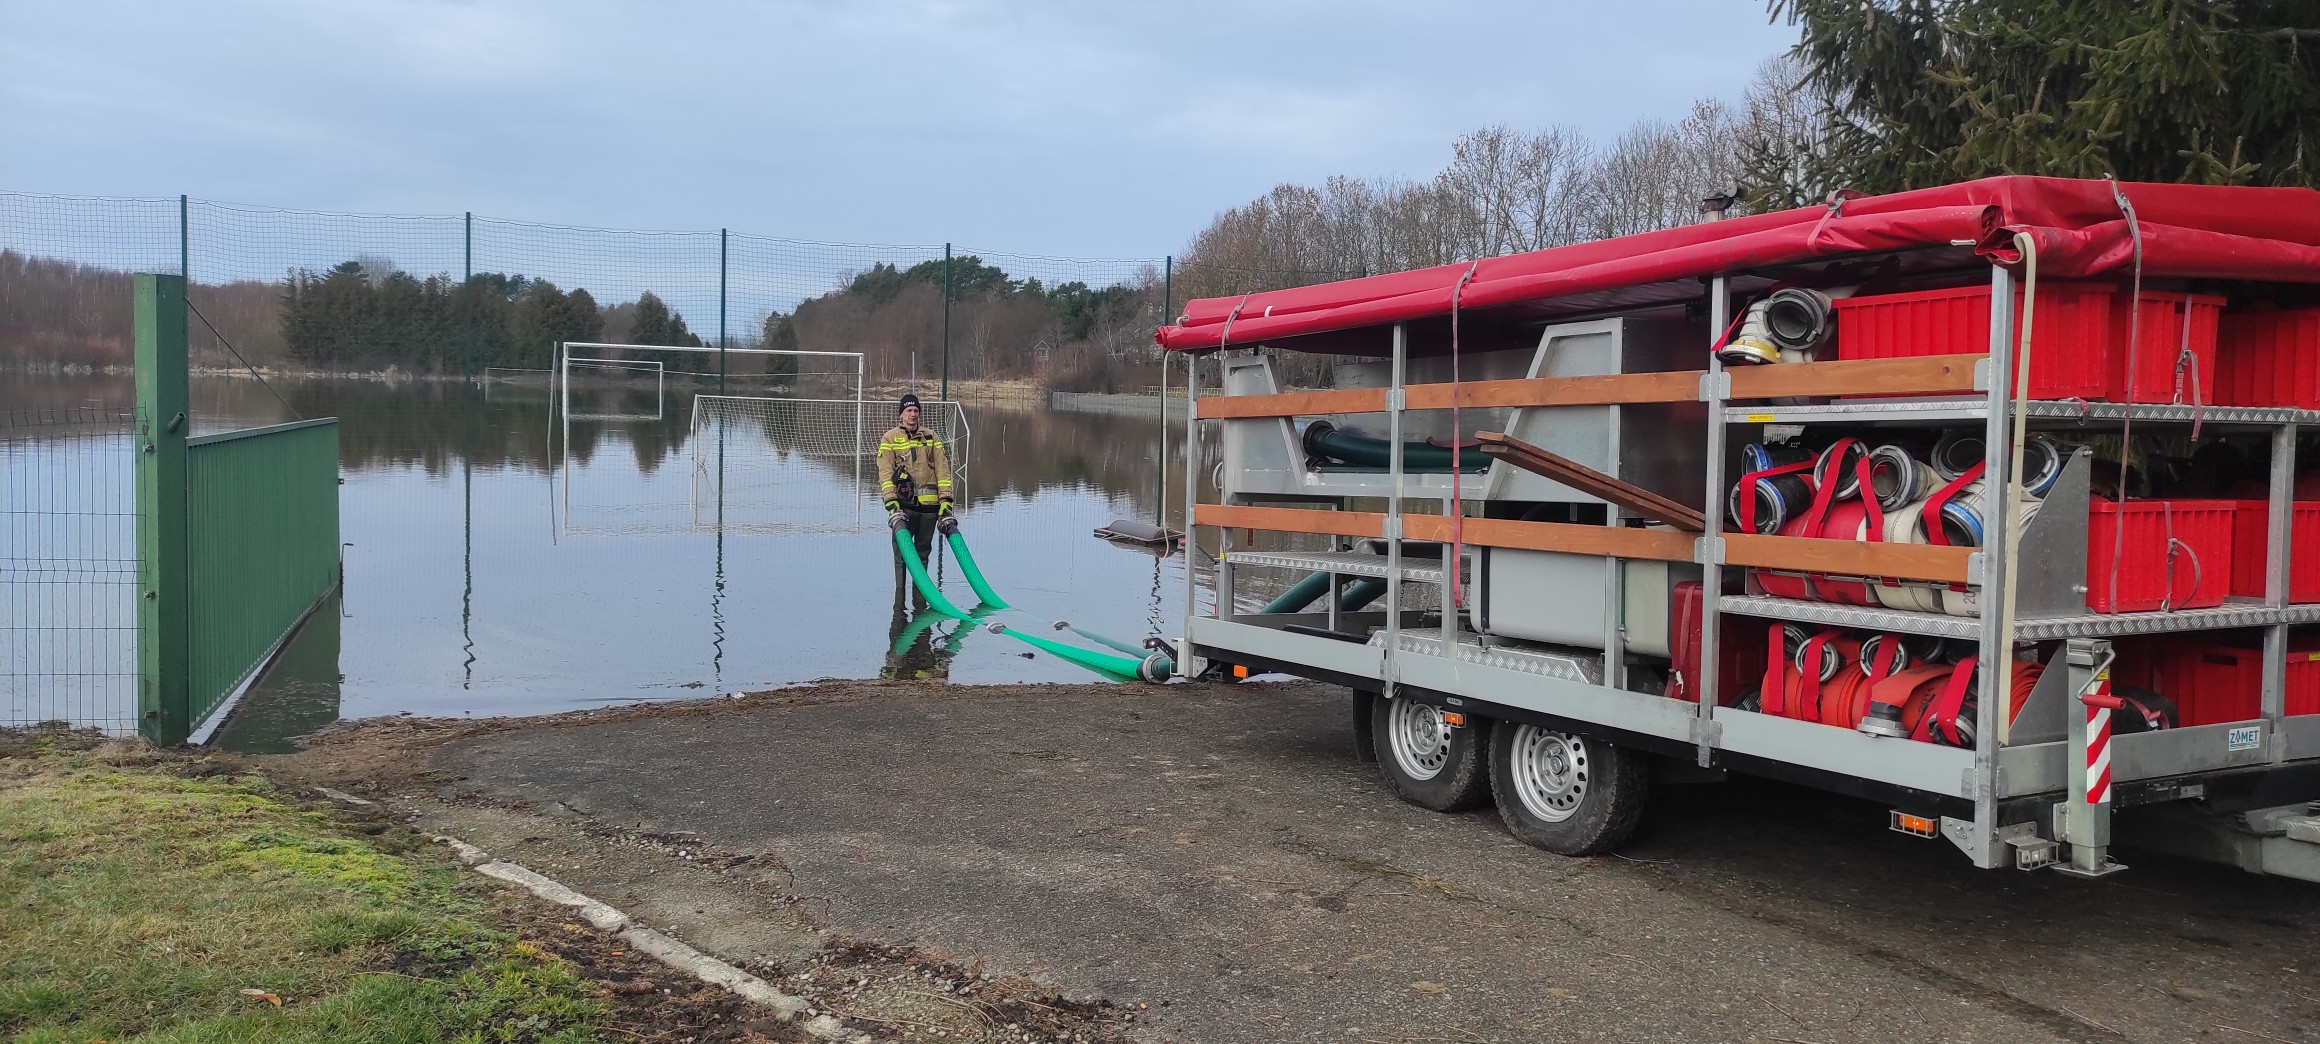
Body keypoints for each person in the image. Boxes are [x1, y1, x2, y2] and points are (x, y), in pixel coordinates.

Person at [877, 393, 956, 577]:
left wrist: (946, 499)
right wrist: (891, 501)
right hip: (903, 509)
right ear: (901, 414)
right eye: (909, 410)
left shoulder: (931, 437)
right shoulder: (890, 438)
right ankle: (900, 601)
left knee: (923, 555)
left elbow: (943, 470)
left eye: (916, 410)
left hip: (929, 509)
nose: (913, 414)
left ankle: (921, 598)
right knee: (902, 557)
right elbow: (885, 472)